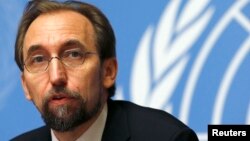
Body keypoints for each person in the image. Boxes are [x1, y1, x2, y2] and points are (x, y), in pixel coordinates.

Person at [11, 0, 199, 141]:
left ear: (108, 71)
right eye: (38, 59)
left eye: (73, 55)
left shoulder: (167, 138)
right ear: (25, 86)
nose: (56, 76)